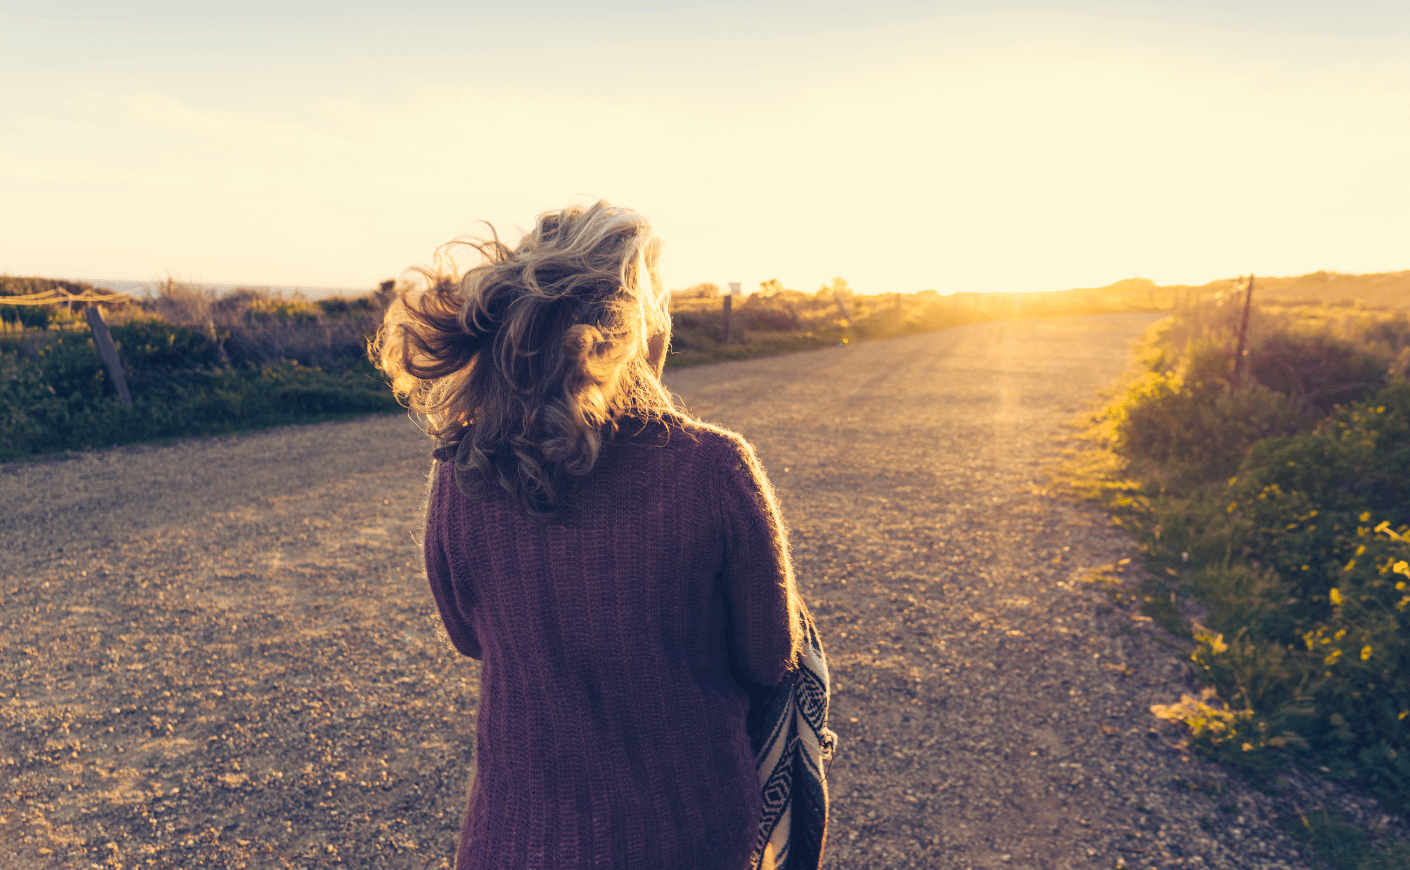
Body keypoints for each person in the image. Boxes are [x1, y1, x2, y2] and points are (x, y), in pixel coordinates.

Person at [374, 200, 826, 870]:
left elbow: (470, 638)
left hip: (511, 839)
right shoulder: (713, 469)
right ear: (634, 329)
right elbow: (768, 659)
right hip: (688, 833)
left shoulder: (466, 466)